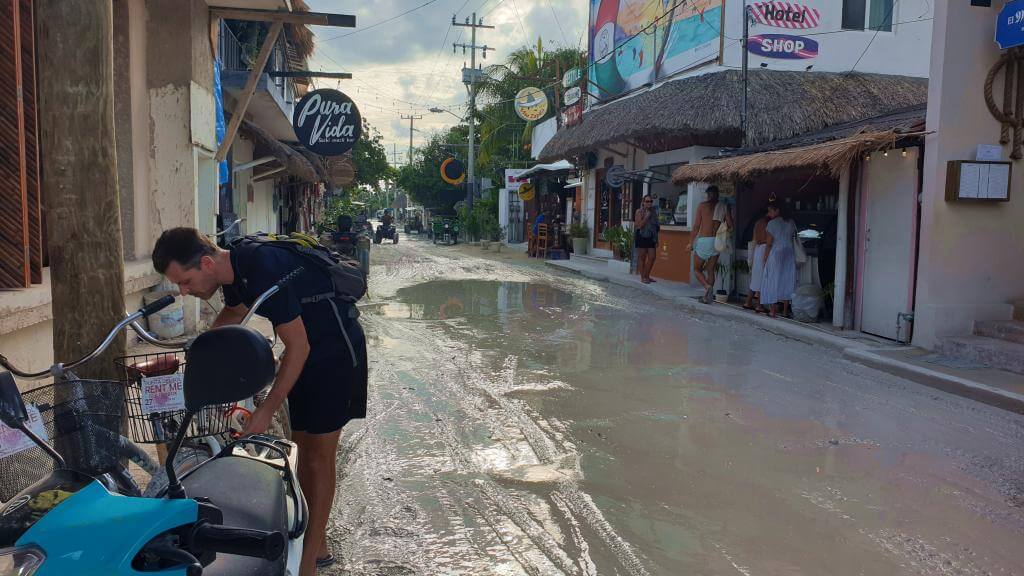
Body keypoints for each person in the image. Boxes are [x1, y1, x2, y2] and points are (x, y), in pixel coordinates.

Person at [152, 228, 367, 576]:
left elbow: (298, 346)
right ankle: (316, 538)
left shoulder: (263, 264)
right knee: (300, 448)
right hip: (306, 354)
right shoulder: (232, 266)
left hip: (336, 352)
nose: (184, 291)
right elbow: (233, 315)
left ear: (206, 262)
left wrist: (266, 410)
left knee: (318, 456)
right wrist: (197, 360)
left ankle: (310, 563)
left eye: (186, 281)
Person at [688, 186, 733, 303]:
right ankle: (707, 297)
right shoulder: (723, 206)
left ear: (708, 194)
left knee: (697, 270)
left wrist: (691, 242)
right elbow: (729, 224)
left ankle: (707, 287)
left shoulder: (702, 206)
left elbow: (696, 226)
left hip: (704, 241)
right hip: (716, 241)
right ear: (717, 194)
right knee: (710, 269)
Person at [760, 201, 798, 318]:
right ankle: (786, 311)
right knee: (786, 280)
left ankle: (773, 311)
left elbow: (769, 243)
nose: (769, 213)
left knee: (771, 279)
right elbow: (794, 236)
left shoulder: (772, 224)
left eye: (771, 211)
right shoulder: (791, 222)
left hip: (776, 253)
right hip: (789, 253)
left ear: (777, 210)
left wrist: (765, 258)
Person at [744, 209, 770, 312]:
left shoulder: (757, 222)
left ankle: (748, 301)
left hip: (757, 248)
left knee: (755, 277)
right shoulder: (768, 223)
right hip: (764, 248)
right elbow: (770, 239)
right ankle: (759, 305)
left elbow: (754, 237)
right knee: (762, 278)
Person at [634, 194, 659, 283]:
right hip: (641, 235)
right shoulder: (639, 211)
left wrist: (656, 239)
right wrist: (646, 216)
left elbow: (656, 226)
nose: (649, 203)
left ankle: (646, 275)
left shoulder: (654, 212)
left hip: (651, 236)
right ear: (643, 202)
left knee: (652, 257)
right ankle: (643, 277)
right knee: (642, 257)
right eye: (647, 201)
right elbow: (639, 225)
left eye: (651, 201)